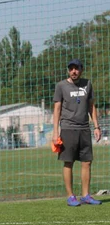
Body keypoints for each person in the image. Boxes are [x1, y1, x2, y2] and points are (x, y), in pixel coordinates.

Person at [52, 58, 102, 206]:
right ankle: (70, 196)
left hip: (84, 129)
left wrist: (96, 126)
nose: (74, 71)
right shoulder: (61, 86)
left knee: (87, 162)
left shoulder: (88, 84)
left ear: (81, 69)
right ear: (68, 70)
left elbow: (91, 106)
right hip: (68, 129)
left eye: (77, 68)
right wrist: (55, 132)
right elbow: (57, 109)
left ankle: (86, 195)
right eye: (71, 68)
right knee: (68, 162)